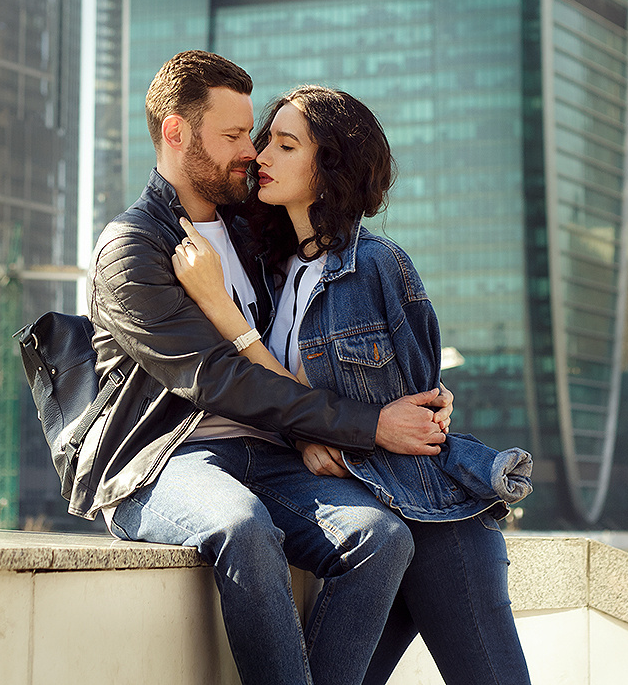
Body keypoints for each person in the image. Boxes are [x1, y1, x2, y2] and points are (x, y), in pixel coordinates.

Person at [79, 52, 454, 685]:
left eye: (250, 137)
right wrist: (367, 425)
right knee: (243, 527)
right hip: (165, 462)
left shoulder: (255, 235)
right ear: (175, 133)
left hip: (271, 457)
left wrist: (418, 391)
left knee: (384, 538)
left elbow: (320, 328)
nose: (249, 154)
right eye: (230, 138)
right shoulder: (131, 248)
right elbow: (223, 379)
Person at [173, 85, 534, 685]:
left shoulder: (378, 267)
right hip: (372, 532)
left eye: (286, 146)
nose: (262, 155)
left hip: (435, 527)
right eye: (265, 140)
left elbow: (419, 410)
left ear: (330, 169)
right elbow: (281, 396)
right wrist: (306, 439)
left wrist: (336, 443)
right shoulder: (275, 269)